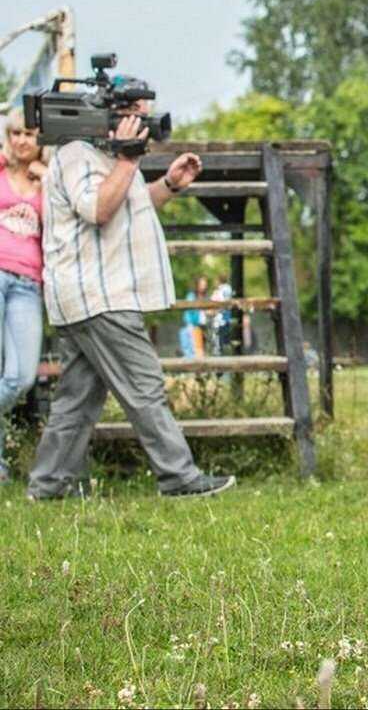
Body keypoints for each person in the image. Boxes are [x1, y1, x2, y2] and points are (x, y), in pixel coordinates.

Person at [27, 107, 234, 499]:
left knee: (76, 400)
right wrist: (127, 158)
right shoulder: (76, 154)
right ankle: (179, 477)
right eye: (136, 115)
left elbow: (127, 206)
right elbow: (98, 209)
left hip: (92, 296)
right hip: (98, 295)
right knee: (145, 387)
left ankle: (48, 485)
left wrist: (169, 184)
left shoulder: (108, 157)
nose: (143, 124)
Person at [0, 110, 47, 483]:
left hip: (29, 283)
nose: (21, 140)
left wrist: (48, 177)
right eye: (15, 133)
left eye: (29, 134)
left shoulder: (48, 181)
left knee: (21, 377)